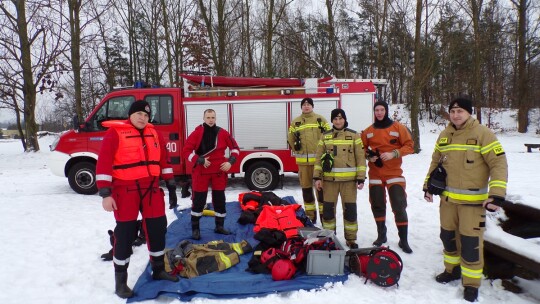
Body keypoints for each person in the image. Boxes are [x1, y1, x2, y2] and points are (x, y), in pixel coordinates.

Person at [424, 97, 508, 302]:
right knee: (448, 237)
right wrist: (428, 186)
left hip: (473, 203)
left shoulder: (483, 134)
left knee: (470, 244)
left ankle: (471, 283)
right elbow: (435, 162)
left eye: (460, 111)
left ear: (469, 112)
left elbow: (499, 164)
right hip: (447, 202)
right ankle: (451, 270)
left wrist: (496, 194)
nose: (456, 115)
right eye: (452, 111)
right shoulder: (445, 135)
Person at [96, 100, 179, 299]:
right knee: (125, 234)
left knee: (157, 229)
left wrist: (171, 185)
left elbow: (163, 160)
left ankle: (158, 269)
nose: (143, 118)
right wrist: (105, 194)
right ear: (130, 115)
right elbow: (104, 162)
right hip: (125, 191)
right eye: (139, 114)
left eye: (146, 115)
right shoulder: (115, 133)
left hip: (151, 189)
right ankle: (121, 281)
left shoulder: (155, 133)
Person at [361, 100, 414, 254]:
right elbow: (362, 148)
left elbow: (410, 146)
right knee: (377, 204)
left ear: (386, 111)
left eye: (382, 110)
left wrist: (394, 153)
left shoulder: (398, 127)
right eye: (376, 110)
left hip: (394, 173)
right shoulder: (368, 131)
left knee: (399, 204)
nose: (379, 113)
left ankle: (403, 239)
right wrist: (368, 156)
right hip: (375, 173)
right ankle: (381, 235)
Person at [182, 109, 240, 240]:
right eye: (208, 117)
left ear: (216, 118)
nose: (210, 120)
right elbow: (186, 151)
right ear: (203, 118)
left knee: (220, 200)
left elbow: (235, 149)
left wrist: (230, 162)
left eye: (213, 117)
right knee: (199, 200)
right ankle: (195, 229)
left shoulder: (223, 133)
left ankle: (219, 227)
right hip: (201, 171)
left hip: (219, 171)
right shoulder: (197, 133)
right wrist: (199, 159)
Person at [314, 109, 366, 249]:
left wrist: (361, 178)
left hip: (349, 183)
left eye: (340, 118)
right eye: (335, 119)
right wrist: (317, 177)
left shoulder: (354, 136)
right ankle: (329, 238)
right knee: (328, 212)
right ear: (332, 121)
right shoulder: (325, 137)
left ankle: (351, 239)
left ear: (344, 119)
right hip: (329, 182)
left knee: (350, 211)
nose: (338, 121)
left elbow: (361, 158)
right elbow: (318, 159)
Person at [287, 97, 331, 223]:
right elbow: (290, 138)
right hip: (303, 164)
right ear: (301, 107)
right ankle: (310, 216)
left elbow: (328, 136)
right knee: (306, 190)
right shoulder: (296, 122)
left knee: (321, 190)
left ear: (312, 106)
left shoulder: (320, 119)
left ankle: (324, 216)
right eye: (304, 104)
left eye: (309, 104)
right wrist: (297, 150)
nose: (306, 106)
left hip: (318, 163)